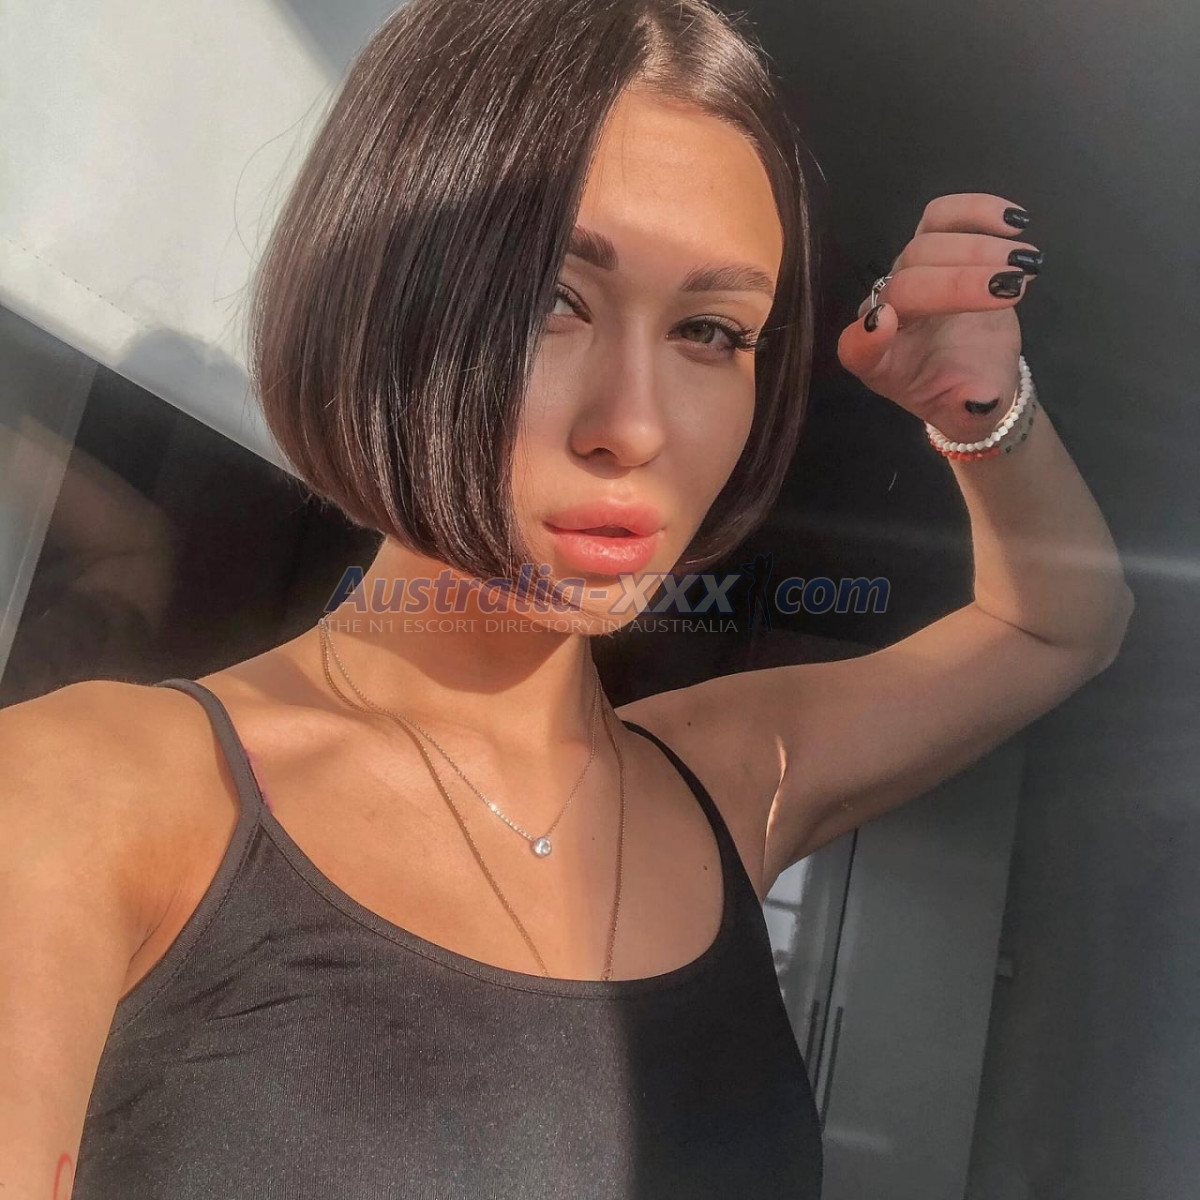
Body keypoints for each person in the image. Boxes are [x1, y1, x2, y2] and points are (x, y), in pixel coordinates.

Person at [0, 0, 1134, 1196]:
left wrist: (976, 412)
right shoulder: (92, 797)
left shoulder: (726, 784)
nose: (633, 427)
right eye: (553, 300)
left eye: (711, 330)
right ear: (379, 294)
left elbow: (1059, 623)